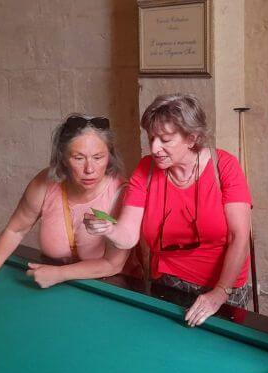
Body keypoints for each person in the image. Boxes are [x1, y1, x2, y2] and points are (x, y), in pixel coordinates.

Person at [83, 94, 252, 327]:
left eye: (165, 140)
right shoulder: (146, 170)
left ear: (192, 138)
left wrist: (220, 292)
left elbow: (239, 237)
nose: (155, 148)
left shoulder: (224, 166)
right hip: (168, 282)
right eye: (151, 138)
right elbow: (128, 236)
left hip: (225, 284)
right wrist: (108, 228)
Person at [0, 114, 131, 291]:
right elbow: (15, 230)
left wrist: (59, 274)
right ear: (63, 159)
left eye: (98, 157)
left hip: (109, 288)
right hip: (54, 281)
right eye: (78, 158)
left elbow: (113, 265)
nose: (89, 168)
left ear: (110, 156)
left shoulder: (122, 193)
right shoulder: (45, 184)